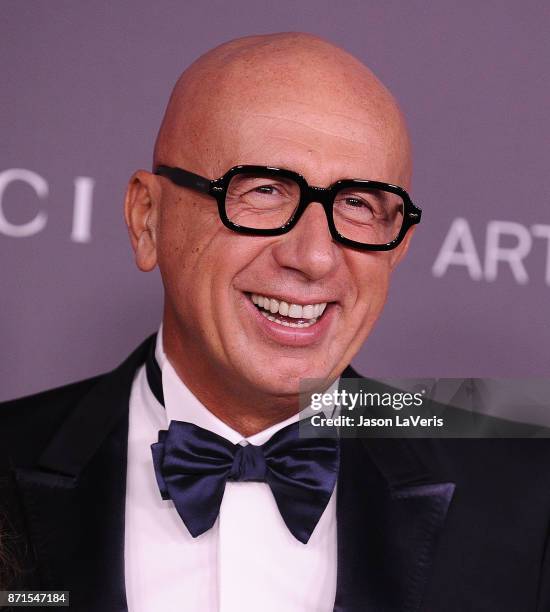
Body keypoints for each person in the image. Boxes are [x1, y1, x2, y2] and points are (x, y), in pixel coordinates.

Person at [1, 32, 550, 612]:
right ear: (147, 219)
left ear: (399, 246)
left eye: (359, 203)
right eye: (263, 190)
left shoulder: (527, 495)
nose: (313, 257)